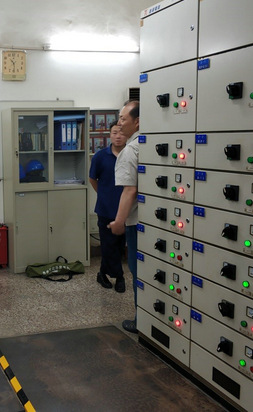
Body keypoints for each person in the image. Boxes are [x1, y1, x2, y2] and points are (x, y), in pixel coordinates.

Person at [109, 100, 140, 334]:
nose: (119, 123)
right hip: (155, 222)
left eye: (123, 118)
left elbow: (129, 190)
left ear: (137, 122)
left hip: (137, 223)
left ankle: (142, 321)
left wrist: (119, 222)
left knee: (139, 273)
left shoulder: (130, 151)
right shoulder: (150, 144)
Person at [89, 123, 127, 293]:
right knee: (108, 244)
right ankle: (119, 277)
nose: (118, 136)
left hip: (126, 210)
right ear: (109, 135)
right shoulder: (100, 157)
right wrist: (103, 193)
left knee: (119, 245)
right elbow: (92, 179)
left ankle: (102, 273)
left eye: (121, 133)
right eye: (114, 133)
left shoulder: (131, 154)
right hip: (105, 208)